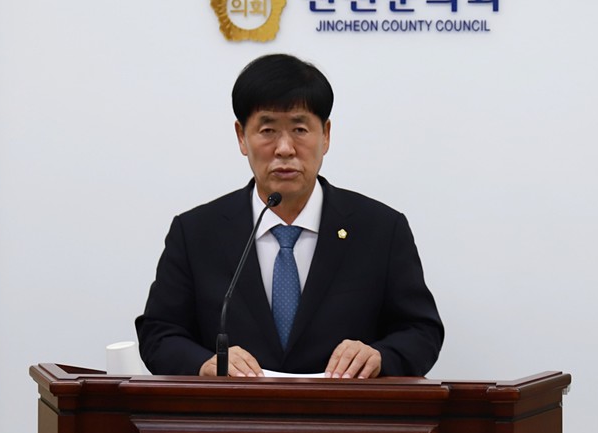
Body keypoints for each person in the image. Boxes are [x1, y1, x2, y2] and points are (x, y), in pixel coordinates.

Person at [136, 54, 443, 378]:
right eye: (267, 130)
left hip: (344, 408)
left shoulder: (380, 229)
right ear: (241, 136)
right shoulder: (196, 232)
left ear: (326, 135)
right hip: (234, 409)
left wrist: (380, 357)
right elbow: (159, 333)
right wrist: (204, 364)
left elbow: (421, 332)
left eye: (299, 129)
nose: (285, 148)